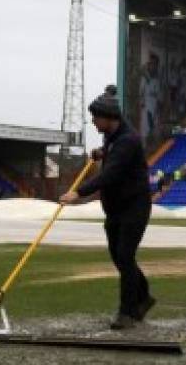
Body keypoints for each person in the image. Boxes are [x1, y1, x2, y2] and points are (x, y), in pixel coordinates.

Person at [59, 92, 155, 330]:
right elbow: (111, 154)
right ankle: (143, 298)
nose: (93, 122)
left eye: (95, 118)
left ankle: (127, 313)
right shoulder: (113, 137)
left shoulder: (128, 140)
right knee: (119, 256)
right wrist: (102, 153)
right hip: (115, 209)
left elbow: (110, 174)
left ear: (108, 117)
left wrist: (78, 193)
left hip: (134, 206)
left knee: (125, 255)